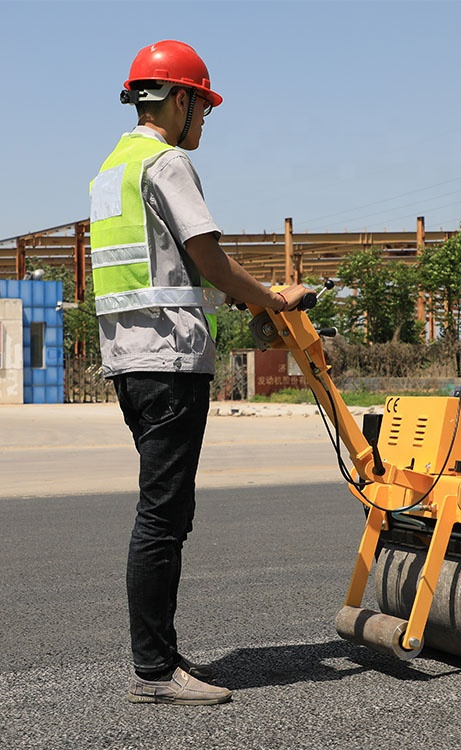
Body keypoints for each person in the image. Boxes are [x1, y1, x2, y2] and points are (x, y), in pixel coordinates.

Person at [89, 39, 308, 705]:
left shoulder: (110, 172)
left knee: (161, 511)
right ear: (179, 100)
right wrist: (272, 297)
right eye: (204, 107)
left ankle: (158, 660)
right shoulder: (167, 162)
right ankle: (155, 671)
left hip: (129, 364)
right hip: (171, 362)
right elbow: (208, 258)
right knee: (163, 515)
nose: (205, 120)